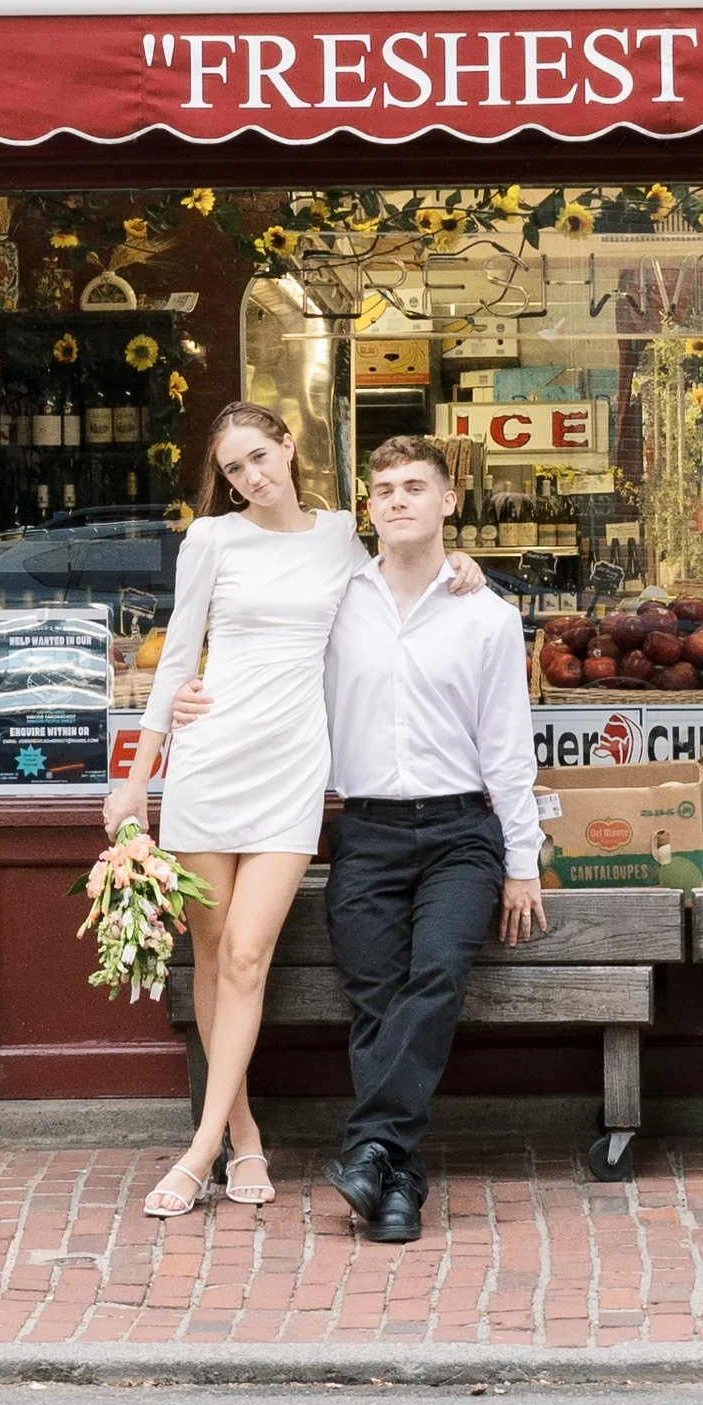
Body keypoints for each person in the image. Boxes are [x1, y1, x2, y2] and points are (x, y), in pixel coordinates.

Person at [101, 404, 487, 1223]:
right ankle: (238, 1131)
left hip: (291, 770)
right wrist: (141, 774)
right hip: (210, 761)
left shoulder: (340, 535)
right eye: (234, 469)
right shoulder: (211, 540)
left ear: (288, 446)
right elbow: (177, 654)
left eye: (258, 457)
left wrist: (465, 566)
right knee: (211, 956)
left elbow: (397, 583)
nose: (250, 477)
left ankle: (197, 1151)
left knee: (247, 953)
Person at [171, 433, 546, 1247]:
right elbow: (266, 639)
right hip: (365, 830)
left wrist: (523, 860)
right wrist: (192, 698)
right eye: (384, 489)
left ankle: (372, 1149)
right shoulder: (340, 598)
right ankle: (394, 1176)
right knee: (375, 993)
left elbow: (510, 749)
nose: (399, 499)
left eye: (417, 486)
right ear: (368, 508)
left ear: (450, 502)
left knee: (437, 974)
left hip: (460, 833)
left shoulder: (486, 613)